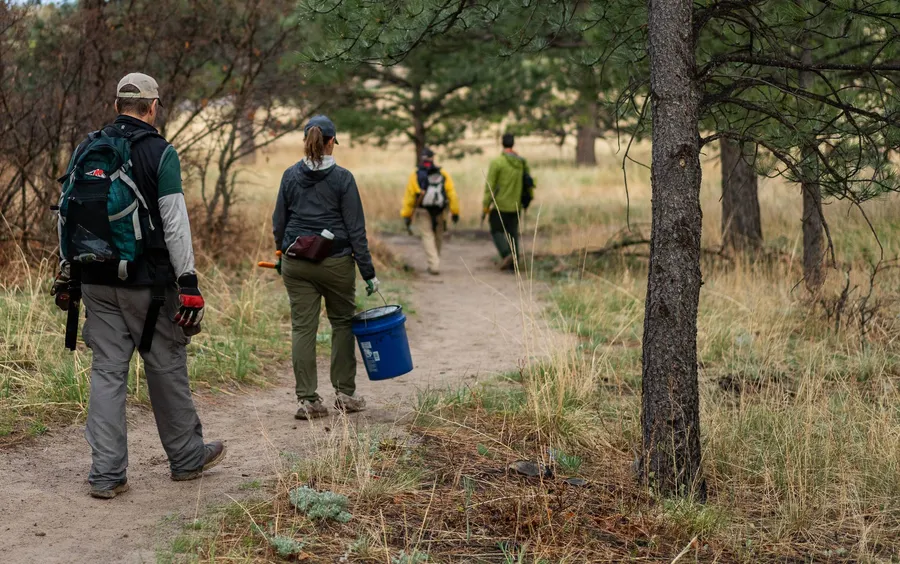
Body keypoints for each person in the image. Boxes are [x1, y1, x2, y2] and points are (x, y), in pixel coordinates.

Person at [53, 73, 225, 499]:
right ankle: (186, 459)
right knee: (165, 367)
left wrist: (66, 271)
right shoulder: (160, 153)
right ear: (152, 107)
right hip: (148, 287)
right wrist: (188, 282)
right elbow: (175, 224)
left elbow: (65, 214)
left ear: (116, 105)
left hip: (93, 280)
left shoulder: (87, 148)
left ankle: (106, 475)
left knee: (107, 373)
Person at [272, 115, 377, 420]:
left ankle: (307, 400)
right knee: (342, 324)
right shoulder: (343, 179)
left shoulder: (290, 175)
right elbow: (356, 229)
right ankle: (345, 394)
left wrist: (281, 255)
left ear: (307, 141)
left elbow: (279, 222)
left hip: (296, 261)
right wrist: (368, 272)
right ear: (331, 141)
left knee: (302, 328)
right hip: (336, 263)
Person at [400, 147, 460, 275]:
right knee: (438, 235)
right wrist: (455, 212)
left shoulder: (415, 174)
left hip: (422, 210)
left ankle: (434, 265)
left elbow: (409, 197)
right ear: (433, 158)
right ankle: (435, 262)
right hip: (440, 210)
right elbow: (452, 194)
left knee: (427, 236)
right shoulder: (443, 173)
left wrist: (406, 214)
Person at [483, 133, 536, 270]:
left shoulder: (497, 162)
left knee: (496, 230)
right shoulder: (521, 162)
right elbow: (528, 183)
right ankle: (515, 263)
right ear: (513, 144)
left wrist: (485, 205)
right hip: (516, 205)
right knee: (513, 234)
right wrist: (528, 200)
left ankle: (507, 254)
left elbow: (490, 186)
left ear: (502, 143)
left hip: (500, 205)